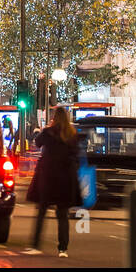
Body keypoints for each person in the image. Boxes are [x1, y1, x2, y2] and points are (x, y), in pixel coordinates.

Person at [24, 106, 81, 257]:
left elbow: (37, 142)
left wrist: (46, 128)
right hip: (65, 178)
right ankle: (63, 249)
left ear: (54, 118)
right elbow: (76, 155)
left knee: (42, 212)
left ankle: (35, 245)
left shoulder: (49, 132)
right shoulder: (72, 134)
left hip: (48, 176)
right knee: (62, 215)